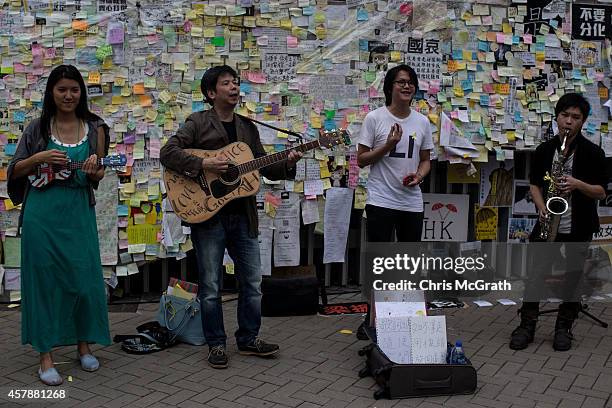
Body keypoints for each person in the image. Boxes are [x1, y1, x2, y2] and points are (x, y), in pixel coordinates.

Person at [160, 65, 302, 369]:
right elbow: (168, 152)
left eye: (236, 83)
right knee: (210, 287)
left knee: (252, 282)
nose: (235, 87)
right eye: (227, 83)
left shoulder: (247, 128)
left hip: (243, 216)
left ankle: (249, 339)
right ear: (212, 93)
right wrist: (206, 163)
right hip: (208, 216)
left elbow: (263, 166)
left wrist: (288, 163)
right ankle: (216, 345)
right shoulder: (198, 123)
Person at [7, 65, 111, 385]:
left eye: (74, 89)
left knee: (84, 282)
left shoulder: (95, 128)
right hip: (42, 214)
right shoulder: (36, 129)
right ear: (51, 92)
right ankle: (46, 356)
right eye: (62, 89)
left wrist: (94, 169)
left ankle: (84, 346)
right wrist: (39, 159)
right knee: (45, 284)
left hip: (78, 211)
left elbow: (99, 174)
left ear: (82, 93)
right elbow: (15, 170)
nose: (68, 95)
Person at [509, 93, 607, 352]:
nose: (569, 122)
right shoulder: (544, 150)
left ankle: (564, 327)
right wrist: (541, 207)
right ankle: (526, 325)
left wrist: (577, 184)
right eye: (565, 116)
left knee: (573, 277)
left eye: (575, 117)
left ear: (583, 122)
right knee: (535, 275)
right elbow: (534, 184)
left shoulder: (593, 153)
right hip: (547, 222)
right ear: (557, 117)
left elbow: (601, 192)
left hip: (579, 224)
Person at [355, 64, 434, 339]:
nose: (406, 86)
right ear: (390, 87)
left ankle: (407, 316)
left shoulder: (422, 122)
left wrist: (419, 177)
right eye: (400, 82)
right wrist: (388, 145)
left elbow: (426, 160)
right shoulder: (374, 119)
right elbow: (361, 160)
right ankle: (373, 318)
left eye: (410, 82)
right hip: (381, 200)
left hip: (411, 203)